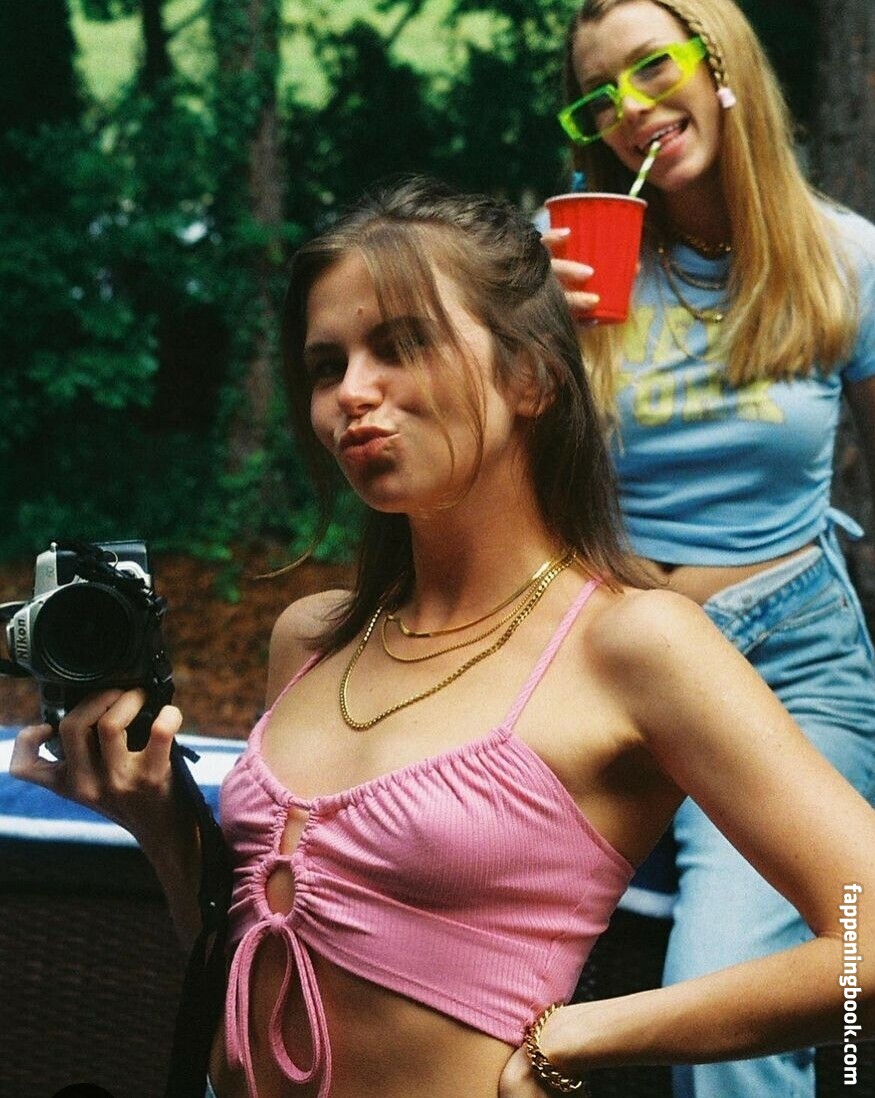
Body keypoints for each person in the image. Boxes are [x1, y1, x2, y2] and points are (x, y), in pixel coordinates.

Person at [10, 176, 875, 1098]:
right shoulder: (312, 639)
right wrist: (158, 820)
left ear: (531, 375)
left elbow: (861, 933)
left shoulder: (633, 644)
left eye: (402, 345)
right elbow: (242, 961)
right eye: (326, 366)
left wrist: (579, 1038)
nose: (352, 392)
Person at [546, 1, 875, 1095]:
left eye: (652, 67)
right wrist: (525, 343)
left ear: (719, 61)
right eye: (600, 96)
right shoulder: (566, 261)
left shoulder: (844, 259)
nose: (630, 107)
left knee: (728, 994)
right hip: (607, 664)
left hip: (791, 663)